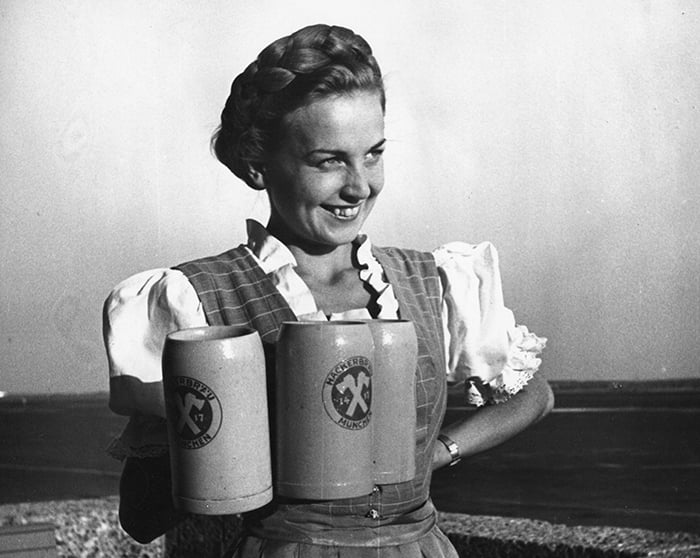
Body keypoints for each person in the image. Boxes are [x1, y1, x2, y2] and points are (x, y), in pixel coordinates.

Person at [103, 23, 554, 557]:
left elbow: (533, 395)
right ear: (257, 164)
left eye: (373, 154)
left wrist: (437, 452)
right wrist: (236, 436)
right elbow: (140, 515)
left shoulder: (432, 281)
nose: (359, 185)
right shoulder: (196, 299)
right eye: (329, 160)